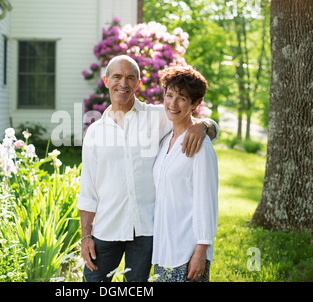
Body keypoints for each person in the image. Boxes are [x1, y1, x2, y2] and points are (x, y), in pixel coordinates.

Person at [77, 55, 219, 282]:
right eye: (117, 76)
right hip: (106, 228)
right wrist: (86, 236)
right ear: (106, 80)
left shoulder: (159, 116)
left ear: (138, 83)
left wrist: (204, 125)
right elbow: (88, 191)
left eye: (130, 78)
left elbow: (191, 118)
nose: (123, 83)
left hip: (146, 232)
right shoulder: (95, 132)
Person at [152, 65, 218, 282]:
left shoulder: (200, 145)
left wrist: (201, 250)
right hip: (163, 249)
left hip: (187, 251)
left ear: (195, 104)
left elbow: (206, 200)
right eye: (169, 95)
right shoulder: (164, 140)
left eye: (181, 98)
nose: (172, 103)